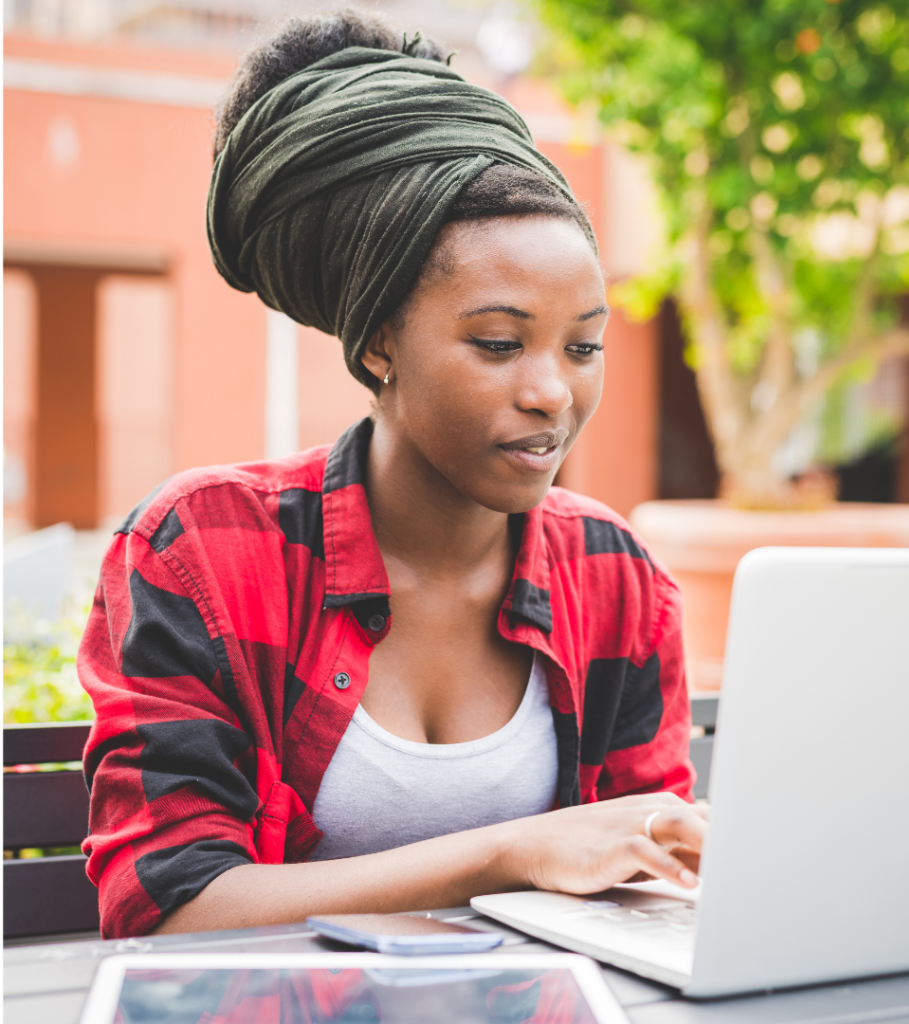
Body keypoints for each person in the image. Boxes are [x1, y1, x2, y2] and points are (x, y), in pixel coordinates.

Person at [78, 9, 706, 940]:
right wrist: (510, 851)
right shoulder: (200, 550)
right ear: (377, 346)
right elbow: (166, 904)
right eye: (499, 343)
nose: (551, 393)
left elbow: (651, 875)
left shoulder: (614, 576)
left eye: (584, 347)